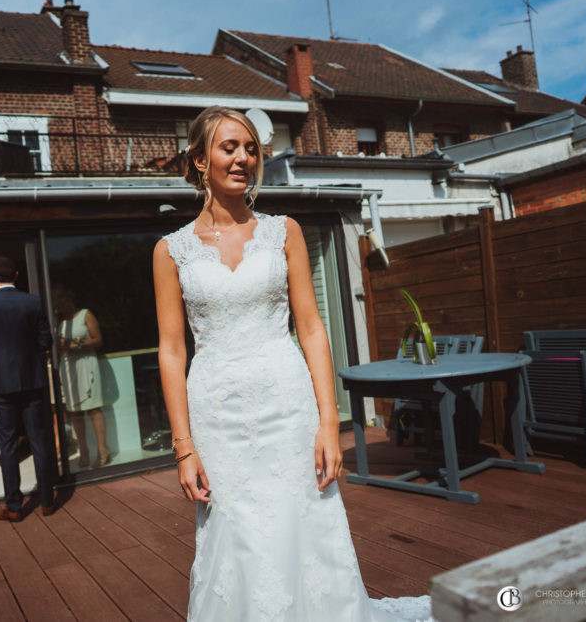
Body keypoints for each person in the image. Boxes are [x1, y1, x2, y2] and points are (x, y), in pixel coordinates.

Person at [153, 106, 431, 621]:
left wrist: (331, 423)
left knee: (302, 519)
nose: (243, 158)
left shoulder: (286, 232)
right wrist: (183, 447)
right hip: (217, 414)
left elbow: (311, 328)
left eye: (251, 149)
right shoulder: (171, 251)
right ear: (198, 160)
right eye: (229, 147)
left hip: (287, 403)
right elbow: (172, 350)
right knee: (233, 531)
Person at [0, 256, 56, 521]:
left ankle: (14, 506)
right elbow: (45, 340)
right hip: (32, 379)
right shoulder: (32, 301)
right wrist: (31, 362)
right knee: (39, 441)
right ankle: (48, 500)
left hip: (1, 383)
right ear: (17, 275)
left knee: (7, 445)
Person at [52, 284, 110, 469]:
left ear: (69, 299)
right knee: (74, 412)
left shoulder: (85, 314)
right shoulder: (59, 322)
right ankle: (83, 450)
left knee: (93, 408)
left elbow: (98, 339)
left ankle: (103, 450)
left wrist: (77, 345)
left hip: (86, 363)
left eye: (61, 299)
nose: (60, 304)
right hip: (69, 366)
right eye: (56, 301)